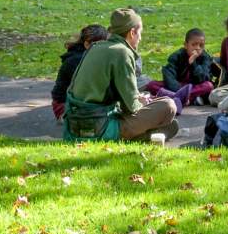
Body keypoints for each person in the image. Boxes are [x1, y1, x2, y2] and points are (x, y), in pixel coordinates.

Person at [68, 8, 178, 141]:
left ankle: (137, 136)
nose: (140, 38)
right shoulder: (122, 53)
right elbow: (131, 107)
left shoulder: (96, 46)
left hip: (74, 124)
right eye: (140, 34)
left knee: (170, 123)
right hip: (99, 125)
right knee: (168, 106)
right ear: (132, 32)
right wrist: (141, 101)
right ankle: (128, 137)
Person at [51, 24, 109, 121]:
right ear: (86, 44)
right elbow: (88, 89)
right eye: (100, 45)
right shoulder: (76, 61)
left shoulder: (90, 55)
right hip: (65, 105)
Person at [145, 28, 215, 108]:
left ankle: (175, 98)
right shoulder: (177, 56)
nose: (197, 48)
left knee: (209, 86)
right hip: (178, 86)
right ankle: (186, 98)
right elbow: (169, 76)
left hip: (194, 87)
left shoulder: (205, 57)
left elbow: (203, 78)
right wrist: (179, 90)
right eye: (194, 44)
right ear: (185, 45)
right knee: (151, 85)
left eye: (201, 45)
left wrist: (193, 64)